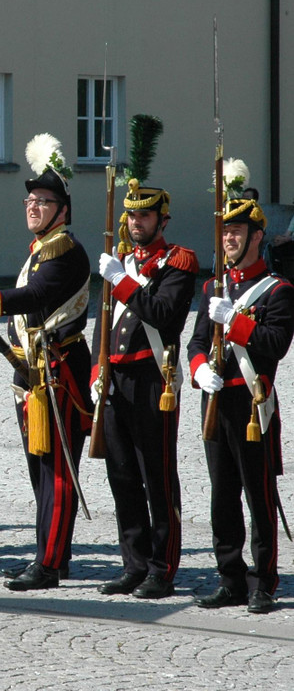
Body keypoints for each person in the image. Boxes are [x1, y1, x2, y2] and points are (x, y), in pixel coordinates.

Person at [0, 133, 91, 591]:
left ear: (63, 210)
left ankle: (48, 564)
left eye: (43, 201)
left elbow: (37, 295)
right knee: (39, 470)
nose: (33, 206)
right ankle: (50, 554)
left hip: (58, 371)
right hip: (32, 372)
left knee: (57, 472)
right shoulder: (41, 248)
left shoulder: (64, 250)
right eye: (30, 200)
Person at [187, 191, 294, 614]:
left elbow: (275, 343)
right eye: (225, 231)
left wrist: (234, 319)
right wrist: (198, 369)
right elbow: (196, 342)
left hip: (252, 403)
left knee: (259, 496)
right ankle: (229, 578)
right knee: (222, 496)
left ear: (257, 236)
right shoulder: (214, 286)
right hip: (216, 400)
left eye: (236, 231)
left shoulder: (278, 290)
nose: (229, 238)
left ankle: (263, 581)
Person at [93, 175, 197, 599]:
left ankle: (162, 568)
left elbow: (161, 314)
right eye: (132, 215)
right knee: (122, 476)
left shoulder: (179, 263)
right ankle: (133, 564)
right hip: (116, 379)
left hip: (154, 379)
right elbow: (103, 322)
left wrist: (121, 280)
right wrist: (98, 372)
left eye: (146, 215)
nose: (137, 222)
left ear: (162, 219)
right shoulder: (122, 261)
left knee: (157, 477)